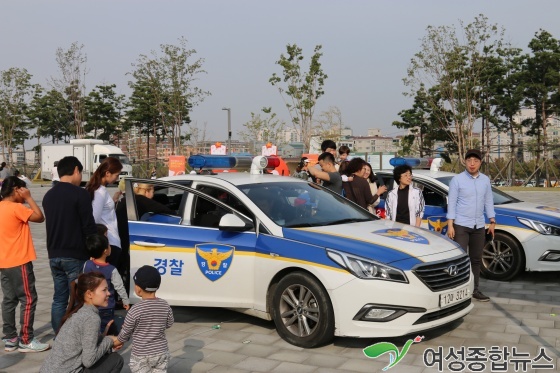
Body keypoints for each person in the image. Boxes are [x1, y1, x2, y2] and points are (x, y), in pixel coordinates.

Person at [43, 156, 98, 334]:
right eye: (80, 172)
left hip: (54, 254)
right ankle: (73, 335)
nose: (81, 176)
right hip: (75, 254)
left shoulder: (49, 195)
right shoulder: (79, 194)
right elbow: (88, 226)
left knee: (59, 298)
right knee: (77, 298)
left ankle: (58, 334)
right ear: (75, 170)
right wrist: (94, 249)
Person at [0, 176, 50, 353]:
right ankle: (26, 339)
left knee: (9, 300)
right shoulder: (16, 208)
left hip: (4, 263)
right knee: (28, 299)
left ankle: (10, 338)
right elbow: (39, 217)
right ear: (16, 190)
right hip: (19, 261)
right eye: (22, 190)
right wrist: (29, 198)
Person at [40, 272, 124, 373]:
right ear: (89, 294)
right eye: (104, 290)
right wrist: (109, 340)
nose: (109, 293)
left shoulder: (79, 311)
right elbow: (89, 360)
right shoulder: (91, 318)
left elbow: (85, 345)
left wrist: (102, 339)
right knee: (116, 360)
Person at [447, 149, 495, 302]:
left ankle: (475, 289)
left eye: (475, 161)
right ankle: (459, 290)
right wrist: (450, 225)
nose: (472, 164)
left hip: (479, 225)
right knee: (461, 258)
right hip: (461, 224)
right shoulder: (457, 180)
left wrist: (492, 221)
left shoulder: (485, 180)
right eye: (469, 161)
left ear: (480, 162)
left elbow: (488, 201)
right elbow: (452, 203)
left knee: (476, 259)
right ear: (465, 162)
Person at [115, 183, 175, 294]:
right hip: (129, 241)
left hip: (120, 240)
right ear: (147, 191)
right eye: (153, 192)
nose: (153, 195)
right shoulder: (142, 200)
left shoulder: (126, 200)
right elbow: (168, 212)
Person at [114, 266, 174, 373]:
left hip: (141, 355)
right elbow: (169, 323)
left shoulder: (135, 309)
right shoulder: (164, 305)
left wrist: (118, 341)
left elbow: (126, 332)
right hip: (161, 352)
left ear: (138, 289)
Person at [83, 233, 130, 334]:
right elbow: (119, 287)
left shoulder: (87, 264)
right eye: (108, 245)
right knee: (106, 329)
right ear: (105, 251)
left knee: (91, 329)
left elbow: (83, 281)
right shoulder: (112, 269)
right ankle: (106, 347)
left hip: (90, 304)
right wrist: (125, 300)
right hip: (106, 307)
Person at [85, 157, 123, 267]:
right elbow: (95, 218)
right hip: (108, 242)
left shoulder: (97, 189)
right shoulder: (99, 192)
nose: (117, 178)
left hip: (108, 242)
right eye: (116, 175)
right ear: (107, 173)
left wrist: (112, 201)